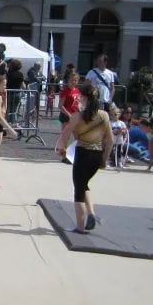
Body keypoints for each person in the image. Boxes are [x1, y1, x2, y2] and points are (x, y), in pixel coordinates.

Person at [57, 83, 113, 232]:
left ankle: (80, 227)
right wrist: (104, 159)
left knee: (78, 190)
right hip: (97, 155)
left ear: (83, 97)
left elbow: (66, 133)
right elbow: (110, 140)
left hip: (82, 154)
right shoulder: (104, 115)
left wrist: (61, 148)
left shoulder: (77, 116)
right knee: (84, 184)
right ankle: (91, 214)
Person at [5, 59, 25, 126]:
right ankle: (14, 123)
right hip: (17, 93)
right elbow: (23, 85)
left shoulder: (9, 74)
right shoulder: (20, 74)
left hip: (9, 93)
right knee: (14, 110)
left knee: (8, 109)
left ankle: (7, 124)